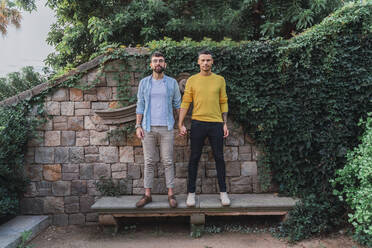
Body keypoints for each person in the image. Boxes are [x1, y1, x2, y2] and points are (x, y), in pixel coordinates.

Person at [178, 50, 231, 207]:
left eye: (208, 60)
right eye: (203, 60)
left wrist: (225, 123)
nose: (206, 63)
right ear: (198, 62)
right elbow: (186, 102)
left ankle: (223, 193)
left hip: (216, 124)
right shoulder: (192, 80)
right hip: (197, 123)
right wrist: (180, 123)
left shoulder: (220, 80)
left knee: (219, 158)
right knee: (194, 158)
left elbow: (223, 101)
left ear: (212, 62)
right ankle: (191, 194)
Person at [135, 51, 181, 208]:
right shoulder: (144, 83)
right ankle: (147, 195)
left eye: (161, 61)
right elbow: (140, 104)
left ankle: (171, 194)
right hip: (148, 128)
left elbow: (177, 104)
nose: (158, 63)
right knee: (149, 161)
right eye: (155, 61)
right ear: (151, 65)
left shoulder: (172, 83)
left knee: (168, 161)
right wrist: (138, 125)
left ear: (165, 64)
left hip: (167, 128)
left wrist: (180, 124)